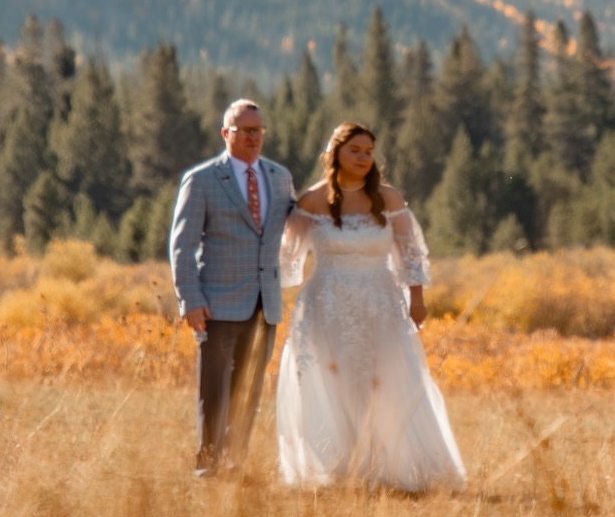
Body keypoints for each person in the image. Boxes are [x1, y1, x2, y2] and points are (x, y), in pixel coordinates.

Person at [277, 121, 465, 490]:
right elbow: (285, 259)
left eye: (368, 152)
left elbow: (411, 253)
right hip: (326, 305)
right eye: (355, 151)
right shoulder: (312, 201)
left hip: (380, 303)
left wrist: (417, 298)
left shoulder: (388, 198)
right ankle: (340, 469)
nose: (363, 158)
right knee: (333, 382)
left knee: (388, 380)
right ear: (335, 154)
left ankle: (392, 467)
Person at [169, 98, 296, 474]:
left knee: (248, 392)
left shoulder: (279, 177)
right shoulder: (203, 179)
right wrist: (189, 299)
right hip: (216, 305)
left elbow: (296, 223)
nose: (254, 137)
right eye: (246, 130)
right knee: (215, 391)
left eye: (259, 130)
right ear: (226, 133)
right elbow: (182, 245)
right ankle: (208, 465)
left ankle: (235, 463)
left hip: (265, 305)